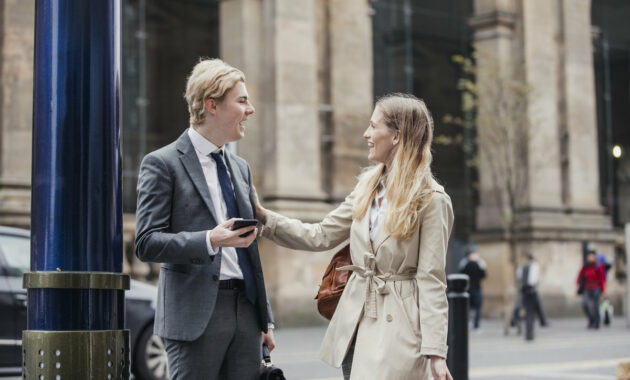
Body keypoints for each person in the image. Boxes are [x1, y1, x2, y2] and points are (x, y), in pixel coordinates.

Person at [256, 94, 454, 380]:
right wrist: (265, 217)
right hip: (356, 320)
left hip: (399, 326)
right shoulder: (368, 187)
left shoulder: (431, 199)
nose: (366, 134)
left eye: (374, 127)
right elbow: (320, 235)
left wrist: (436, 352)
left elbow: (432, 280)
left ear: (396, 136)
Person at [135, 59, 275, 380]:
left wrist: (264, 318)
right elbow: (146, 243)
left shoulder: (240, 167)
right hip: (194, 315)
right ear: (211, 105)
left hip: (245, 311)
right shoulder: (162, 163)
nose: (250, 109)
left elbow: (249, 251)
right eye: (242, 101)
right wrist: (211, 240)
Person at [510, 252, 548, 327]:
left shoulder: (523, 266)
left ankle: (514, 319)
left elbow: (519, 276)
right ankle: (542, 321)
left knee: (521, 304)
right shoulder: (534, 266)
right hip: (531, 288)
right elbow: (533, 279)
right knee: (537, 305)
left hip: (524, 288)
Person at [576, 250, 606, 329]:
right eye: (588, 257)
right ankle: (591, 319)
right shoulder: (585, 265)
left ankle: (597, 322)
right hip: (587, 287)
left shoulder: (599, 266)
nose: (590, 258)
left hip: (596, 287)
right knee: (584, 304)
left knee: (596, 306)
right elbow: (580, 275)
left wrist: (603, 290)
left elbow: (602, 278)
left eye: (591, 257)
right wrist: (577, 285)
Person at [458, 250, 486, 330]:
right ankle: (470, 324)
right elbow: (483, 275)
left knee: (475, 308)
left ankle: (474, 324)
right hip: (471, 289)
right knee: (471, 308)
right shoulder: (470, 263)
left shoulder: (468, 263)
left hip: (473, 289)